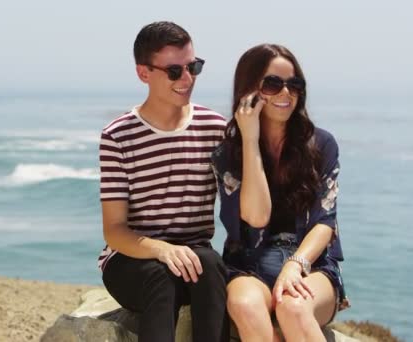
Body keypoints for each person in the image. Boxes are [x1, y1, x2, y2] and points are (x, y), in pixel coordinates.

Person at [98, 21, 229, 342]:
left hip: (193, 262)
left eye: (193, 67)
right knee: (161, 276)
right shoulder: (117, 135)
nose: (187, 79)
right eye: (174, 71)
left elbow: (244, 205)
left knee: (211, 263)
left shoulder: (215, 128)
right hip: (132, 264)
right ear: (144, 73)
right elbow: (114, 230)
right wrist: (161, 250)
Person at [211, 43, 350, 341]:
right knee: (245, 305)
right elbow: (256, 217)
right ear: (249, 89)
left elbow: (325, 222)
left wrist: (295, 265)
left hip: (310, 264)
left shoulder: (321, 145)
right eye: (273, 84)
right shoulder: (228, 153)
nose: (286, 93)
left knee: (293, 308)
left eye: (294, 84)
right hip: (249, 264)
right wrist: (250, 139)